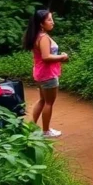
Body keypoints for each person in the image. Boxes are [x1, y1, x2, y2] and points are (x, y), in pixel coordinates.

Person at [23, 9, 68, 138]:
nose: (52, 22)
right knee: (49, 102)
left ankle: (31, 126)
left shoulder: (37, 35)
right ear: (41, 24)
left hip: (40, 73)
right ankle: (46, 131)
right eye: (49, 20)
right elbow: (46, 57)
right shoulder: (43, 38)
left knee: (42, 100)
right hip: (48, 74)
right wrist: (62, 57)